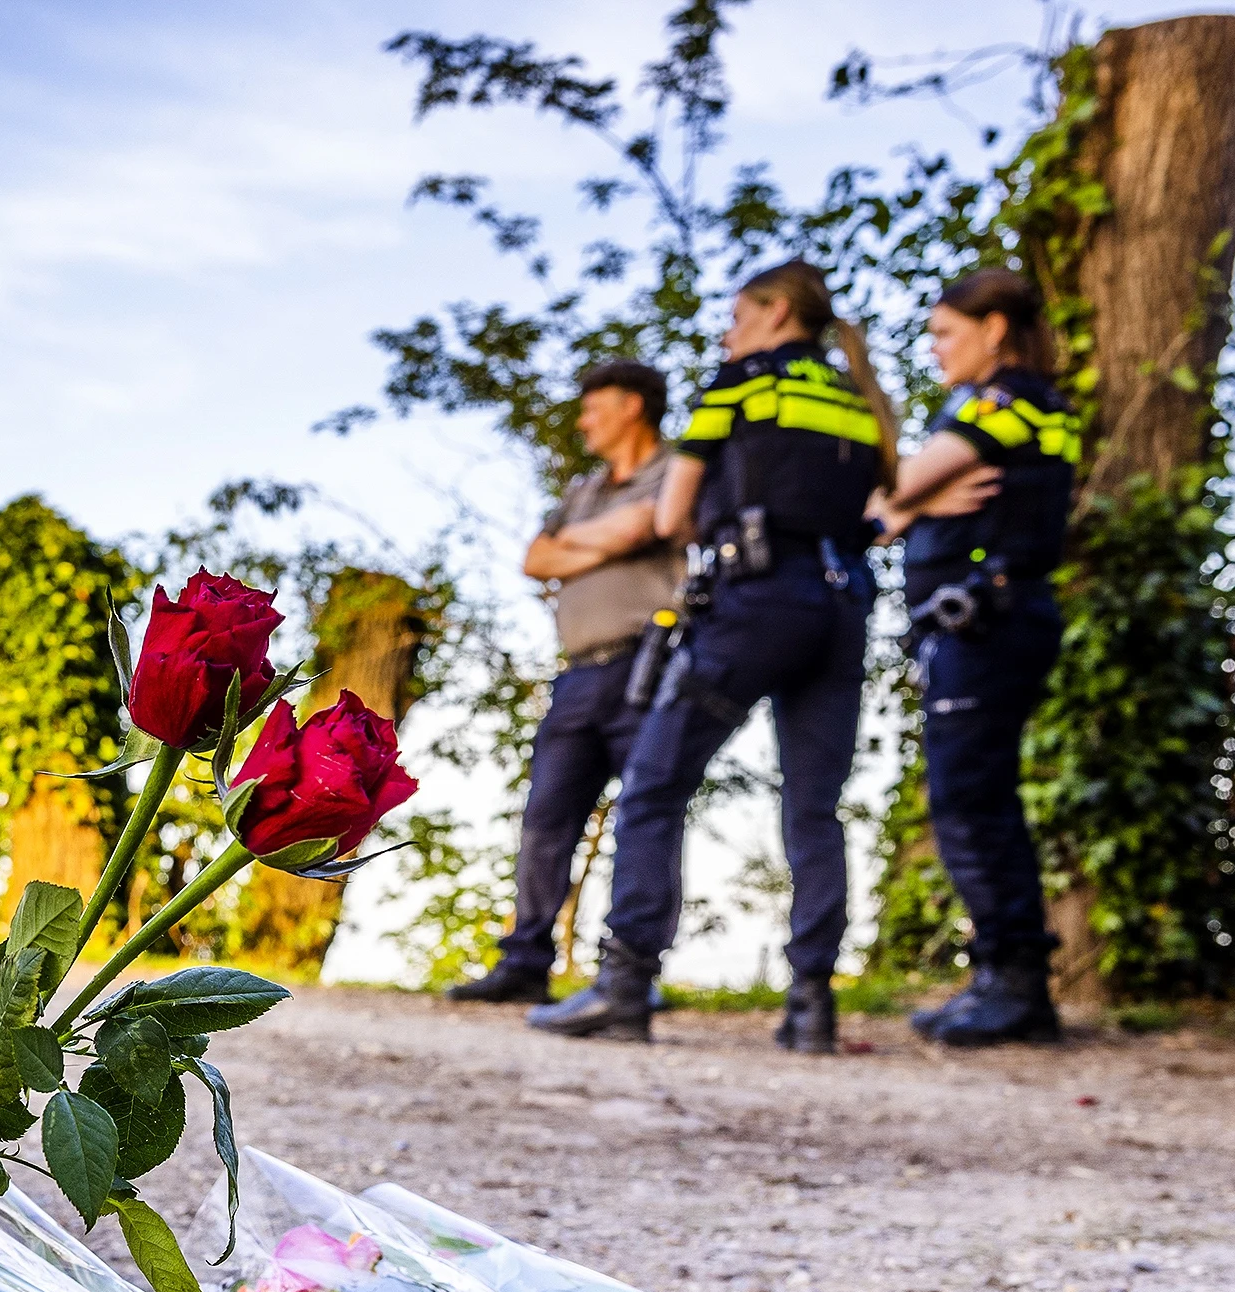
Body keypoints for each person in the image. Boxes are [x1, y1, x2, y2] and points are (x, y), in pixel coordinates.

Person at [529, 259, 894, 1052]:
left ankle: (624, 987)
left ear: (772, 312)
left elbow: (673, 510)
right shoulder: (855, 396)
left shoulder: (739, 384)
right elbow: (882, 509)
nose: (729, 333)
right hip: (841, 606)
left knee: (655, 784)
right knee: (813, 804)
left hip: (751, 606)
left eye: (736, 315)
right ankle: (811, 1005)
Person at [867, 267, 1079, 1046]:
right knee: (972, 797)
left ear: (994, 328)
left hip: (989, 623)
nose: (934, 350)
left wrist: (907, 498)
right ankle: (1002, 973)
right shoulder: (988, 408)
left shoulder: (1009, 402)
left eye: (946, 333)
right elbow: (886, 508)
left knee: (971, 800)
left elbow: (886, 498)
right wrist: (907, 501)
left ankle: (1017, 985)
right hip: (971, 627)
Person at [447, 359, 686, 1004]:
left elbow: (647, 526)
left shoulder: (676, 471)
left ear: (633, 405)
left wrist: (592, 544)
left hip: (649, 662)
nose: (583, 421)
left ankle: (632, 972)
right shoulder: (584, 489)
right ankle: (524, 959)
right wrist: (611, 540)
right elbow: (535, 558)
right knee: (546, 815)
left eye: (593, 407)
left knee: (647, 812)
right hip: (577, 675)